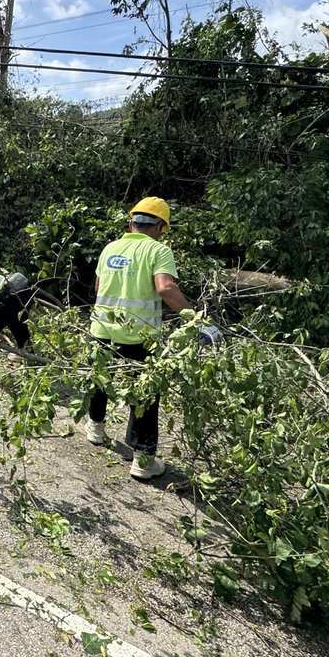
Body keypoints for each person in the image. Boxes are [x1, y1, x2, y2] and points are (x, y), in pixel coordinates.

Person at [85, 197, 205, 481]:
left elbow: (99, 287)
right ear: (161, 227)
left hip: (101, 329)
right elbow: (165, 288)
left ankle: (95, 428)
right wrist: (194, 319)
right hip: (139, 337)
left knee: (100, 378)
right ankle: (143, 460)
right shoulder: (158, 250)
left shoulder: (110, 248)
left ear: (131, 222)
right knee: (145, 394)